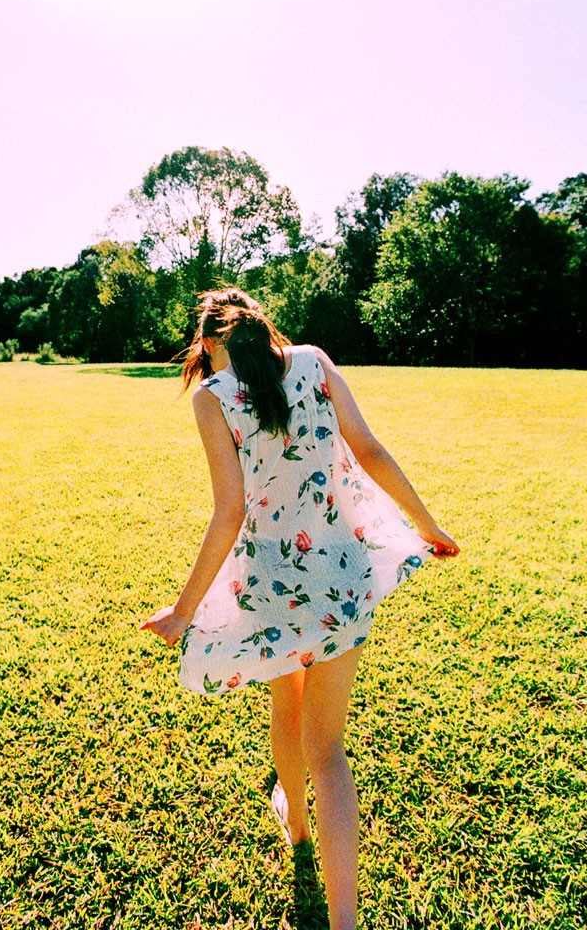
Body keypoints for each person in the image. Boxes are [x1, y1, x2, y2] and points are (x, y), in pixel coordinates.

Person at [141, 287, 459, 930]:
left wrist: (183, 610)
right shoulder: (313, 360)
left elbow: (229, 511)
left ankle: (297, 828)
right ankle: (344, 919)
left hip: (271, 580)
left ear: (207, 343)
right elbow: (369, 449)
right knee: (329, 750)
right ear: (261, 327)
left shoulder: (212, 397)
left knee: (285, 707)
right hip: (343, 575)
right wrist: (428, 526)